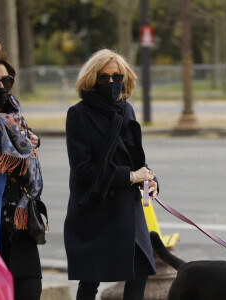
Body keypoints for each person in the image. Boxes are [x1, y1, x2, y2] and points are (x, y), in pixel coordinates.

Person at [64, 49, 159, 300]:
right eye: (104, 77)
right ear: (92, 79)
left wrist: (151, 180)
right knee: (90, 279)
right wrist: (130, 177)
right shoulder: (78, 114)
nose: (111, 83)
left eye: (117, 77)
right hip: (96, 207)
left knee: (140, 268)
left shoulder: (125, 110)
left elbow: (136, 158)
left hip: (127, 208)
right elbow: (83, 170)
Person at [0, 55, 43, 300]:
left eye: (6, 80)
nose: (1, 87)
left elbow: (28, 159)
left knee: (29, 291)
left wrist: (34, 140)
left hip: (20, 223)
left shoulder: (17, 120)